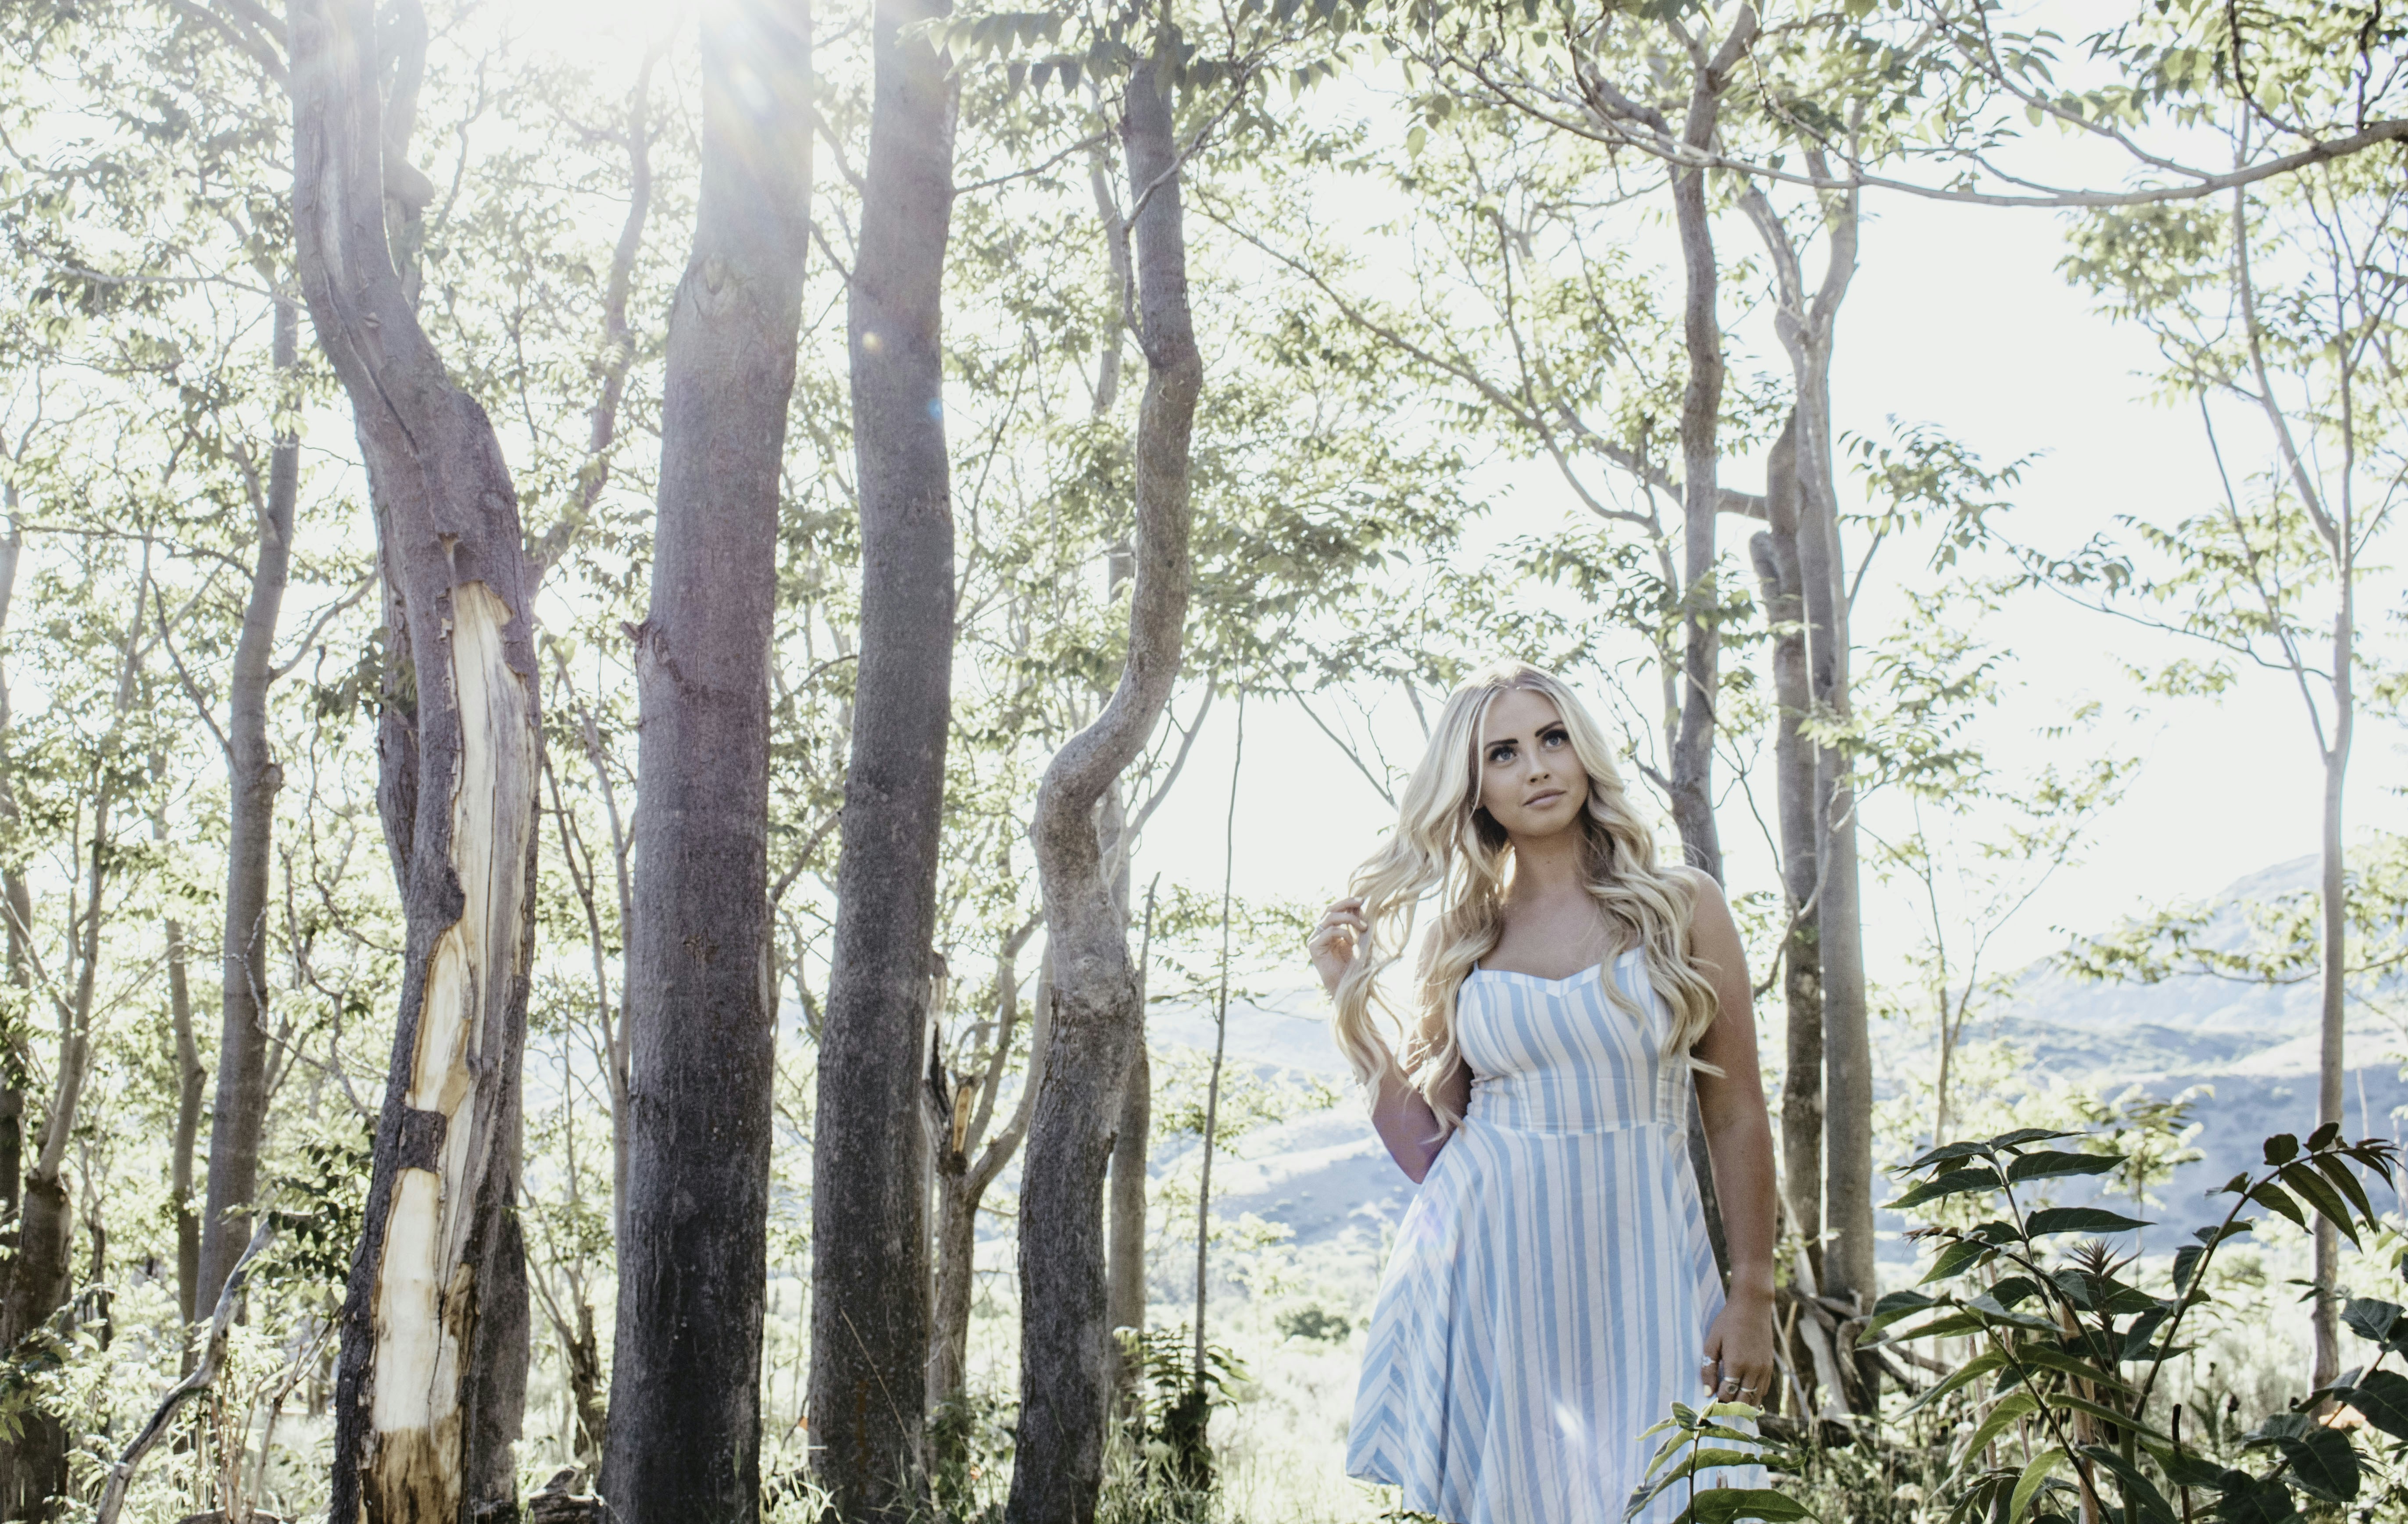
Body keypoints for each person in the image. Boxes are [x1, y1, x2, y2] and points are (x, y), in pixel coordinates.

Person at [1307, 659, 1778, 1524]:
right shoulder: (1466, 934)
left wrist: (1752, 1290)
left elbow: (1737, 1109)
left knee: (1682, 1495)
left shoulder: (1681, 905)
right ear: (1475, 785)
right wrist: (1352, 1003)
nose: (1538, 767)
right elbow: (1429, 1151)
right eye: (1505, 752)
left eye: (1553, 738)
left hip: (1650, 1268)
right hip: (1498, 1279)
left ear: (1583, 750)